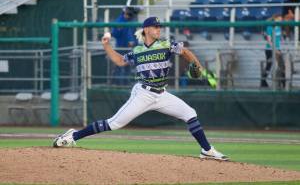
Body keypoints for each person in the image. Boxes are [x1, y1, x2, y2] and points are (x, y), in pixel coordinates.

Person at [53, 16, 228, 161]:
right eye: (155, 26)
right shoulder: (137, 50)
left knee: (190, 113)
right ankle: (72, 136)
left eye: (159, 26)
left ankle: (207, 150)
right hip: (143, 93)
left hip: (162, 94)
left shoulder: (166, 44)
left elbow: (185, 51)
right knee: (114, 124)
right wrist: (106, 46)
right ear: (146, 29)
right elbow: (120, 61)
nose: (158, 29)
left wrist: (197, 64)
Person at [111, 7, 139, 85]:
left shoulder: (131, 20)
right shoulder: (119, 21)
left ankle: (125, 84)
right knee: (120, 67)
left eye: (131, 15)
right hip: (121, 48)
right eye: (128, 14)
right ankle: (119, 85)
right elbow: (115, 33)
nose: (129, 16)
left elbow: (133, 34)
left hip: (129, 49)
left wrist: (134, 43)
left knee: (127, 67)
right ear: (125, 13)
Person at [261, 14, 285, 88]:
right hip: (270, 49)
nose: (281, 21)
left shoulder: (279, 27)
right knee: (269, 65)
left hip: (277, 48)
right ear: (275, 19)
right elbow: (269, 40)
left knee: (282, 65)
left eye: (281, 20)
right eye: (279, 19)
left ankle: (283, 82)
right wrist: (275, 49)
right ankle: (263, 82)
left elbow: (279, 38)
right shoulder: (270, 27)